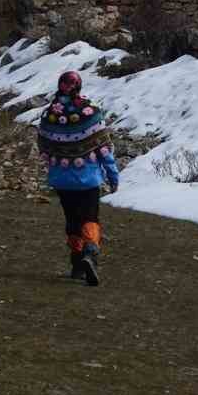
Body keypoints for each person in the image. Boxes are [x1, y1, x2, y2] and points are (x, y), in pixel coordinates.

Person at [34, 70, 119, 286]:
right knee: (90, 216)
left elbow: (43, 145)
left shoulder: (49, 115)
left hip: (61, 180)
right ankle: (90, 253)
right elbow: (103, 149)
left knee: (72, 220)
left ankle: (77, 266)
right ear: (79, 87)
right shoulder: (91, 113)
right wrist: (113, 175)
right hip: (88, 179)